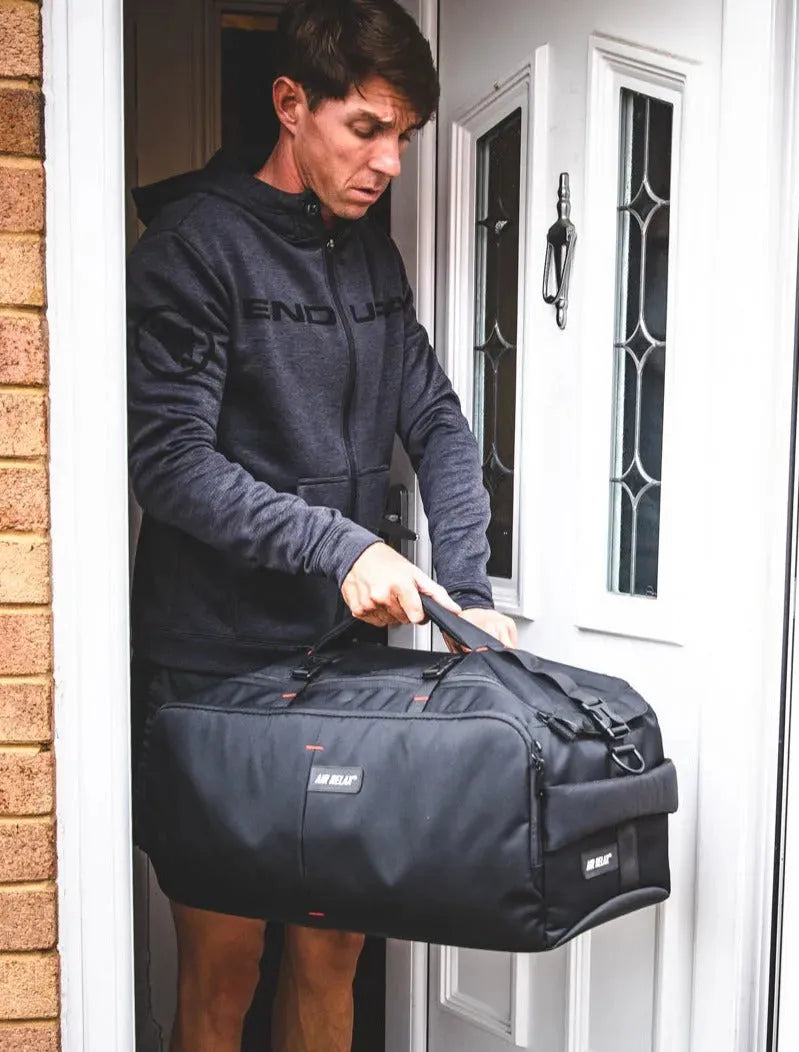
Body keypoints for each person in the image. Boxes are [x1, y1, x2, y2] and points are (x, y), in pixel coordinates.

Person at [126, 1, 516, 1047]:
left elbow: (435, 423)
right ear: (290, 103)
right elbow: (169, 462)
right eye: (367, 129)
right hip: (211, 669)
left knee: (335, 945)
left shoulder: (371, 258)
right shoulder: (193, 248)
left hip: (339, 667)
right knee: (225, 965)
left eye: (405, 136)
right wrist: (343, 545)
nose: (389, 162)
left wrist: (465, 593)